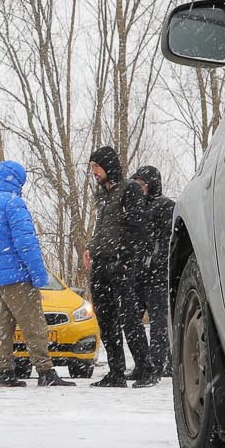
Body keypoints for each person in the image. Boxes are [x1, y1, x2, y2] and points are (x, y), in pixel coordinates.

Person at [0, 160, 71, 388]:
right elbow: (26, 243)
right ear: (16, 180)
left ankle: (5, 372)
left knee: (2, 327)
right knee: (34, 324)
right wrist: (38, 276)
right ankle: (45, 371)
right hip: (17, 275)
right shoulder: (13, 203)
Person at [82, 144, 152, 387]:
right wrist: (91, 246)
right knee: (106, 318)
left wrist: (125, 259)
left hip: (120, 264)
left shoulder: (130, 190)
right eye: (92, 167)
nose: (94, 172)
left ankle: (146, 369)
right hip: (100, 264)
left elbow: (136, 228)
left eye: (96, 167)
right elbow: (102, 227)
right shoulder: (102, 195)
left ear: (108, 166)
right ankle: (116, 371)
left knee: (129, 318)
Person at [128, 165, 176, 377]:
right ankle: (143, 364)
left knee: (158, 323)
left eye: (141, 184)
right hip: (136, 274)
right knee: (132, 320)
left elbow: (169, 241)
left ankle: (158, 364)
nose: (139, 189)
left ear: (150, 184)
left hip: (158, 275)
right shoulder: (134, 208)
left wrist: (154, 260)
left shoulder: (166, 206)